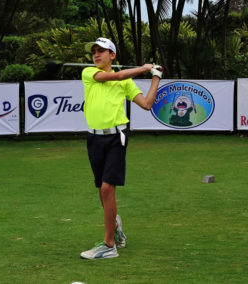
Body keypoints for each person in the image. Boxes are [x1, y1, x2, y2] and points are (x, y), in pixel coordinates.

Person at [80, 37, 163, 259]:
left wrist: (155, 77)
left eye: (102, 51)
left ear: (112, 55)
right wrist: (144, 68)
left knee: (107, 189)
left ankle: (109, 246)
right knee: (102, 190)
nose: (96, 54)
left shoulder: (125, 82)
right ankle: (115, 225)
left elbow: (146, 104)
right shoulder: (89, 73)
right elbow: (115, 75)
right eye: (94, 51)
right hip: (94, 138)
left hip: (117, 136)